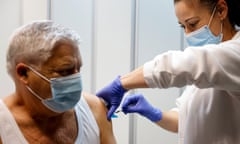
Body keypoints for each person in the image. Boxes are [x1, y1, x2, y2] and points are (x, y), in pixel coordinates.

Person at [96, 0, 240, 143]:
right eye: (182, 26)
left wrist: (122, 83)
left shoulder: (234, 54)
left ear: (221, 10)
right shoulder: (209, 67)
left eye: (192, 24)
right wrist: (154, 113)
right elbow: (182, 121)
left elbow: (182, 65)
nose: (188, 34)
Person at [1, 20, 116, 144]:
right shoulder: (4, 126)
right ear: (24, 73)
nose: (76, 79)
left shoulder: (94, 109)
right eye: (65, 71)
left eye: (78, 69)